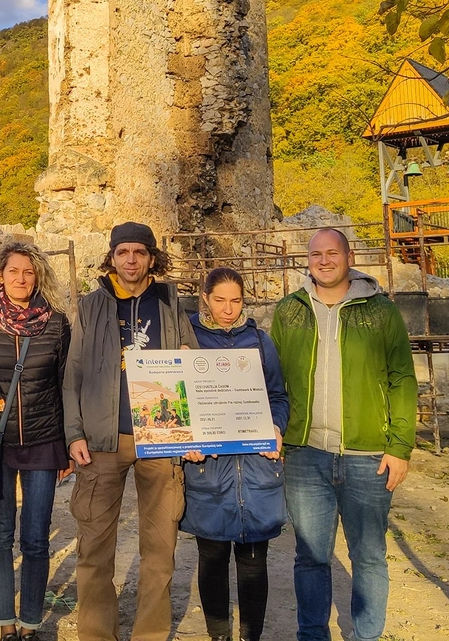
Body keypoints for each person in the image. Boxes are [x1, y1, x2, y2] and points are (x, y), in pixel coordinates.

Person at [271, 228, 417, 641]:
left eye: (332, 252)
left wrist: (400, 447)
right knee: (310, 557)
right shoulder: (289, 311)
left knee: (368, 557)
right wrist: (274, 431)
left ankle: (366, 636)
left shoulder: (381, 312)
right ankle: (312, 636)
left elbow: (402, 379)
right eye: (316, 254)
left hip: (368, 455)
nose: (324, 261)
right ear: (308, 260)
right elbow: (272, 379)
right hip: (305, 454)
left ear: (349, 257)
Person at [62, 221, 197, 641]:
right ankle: (97, 635)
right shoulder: (92, 305)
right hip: (104, 440)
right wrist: (74, 434)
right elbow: (73, 375)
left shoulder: (171, 303)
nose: (131, 260)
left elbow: (192, 367)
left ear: (152, 258)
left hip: (160, 437)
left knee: (160, 548)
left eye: (140, 252)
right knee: (94, 548)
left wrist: (188, 363)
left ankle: (149, 635)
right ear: (113, 257)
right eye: (123, 252)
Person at [0, 241, 72, 641]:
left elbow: (66, 384)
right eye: (13, 271)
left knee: (35, 536)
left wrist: (69, 443)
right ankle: (5, 622)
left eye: (28, 272)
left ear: (37, 276)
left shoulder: (56, 323)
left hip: (44, 441)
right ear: (0, 275)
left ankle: (29, 623)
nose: (21, 279)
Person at [179, 267, 289, 641]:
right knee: (211, 558)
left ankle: (250, 636)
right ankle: (219, 635)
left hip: (256, 470)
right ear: (205, 298)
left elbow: (278, 396)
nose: (228, 309)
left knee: (254, 561)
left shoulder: (259, 341)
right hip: (209, 470)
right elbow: (176, 400)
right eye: (220, 300)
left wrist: (276, 427)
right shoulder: (188, 341)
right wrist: (185, 440)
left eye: (236, 300)